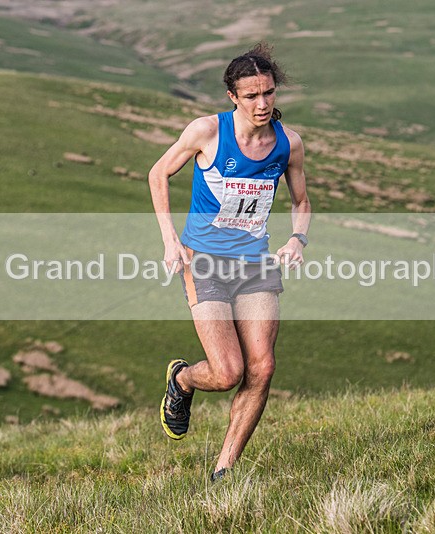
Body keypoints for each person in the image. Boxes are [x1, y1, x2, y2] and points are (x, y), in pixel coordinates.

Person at [148, 43, 310, 482]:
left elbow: (301, 201)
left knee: (263, 367)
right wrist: (169, 240)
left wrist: (297, 239)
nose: (262, 104)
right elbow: (158, 173)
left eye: (269, 93)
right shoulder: (207, 132)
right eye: (251, 96)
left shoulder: (288, 144)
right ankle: (183, 380)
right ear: (232, 97)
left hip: (255, 264)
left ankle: (224, 471)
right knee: (226, 372)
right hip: (203, 262)